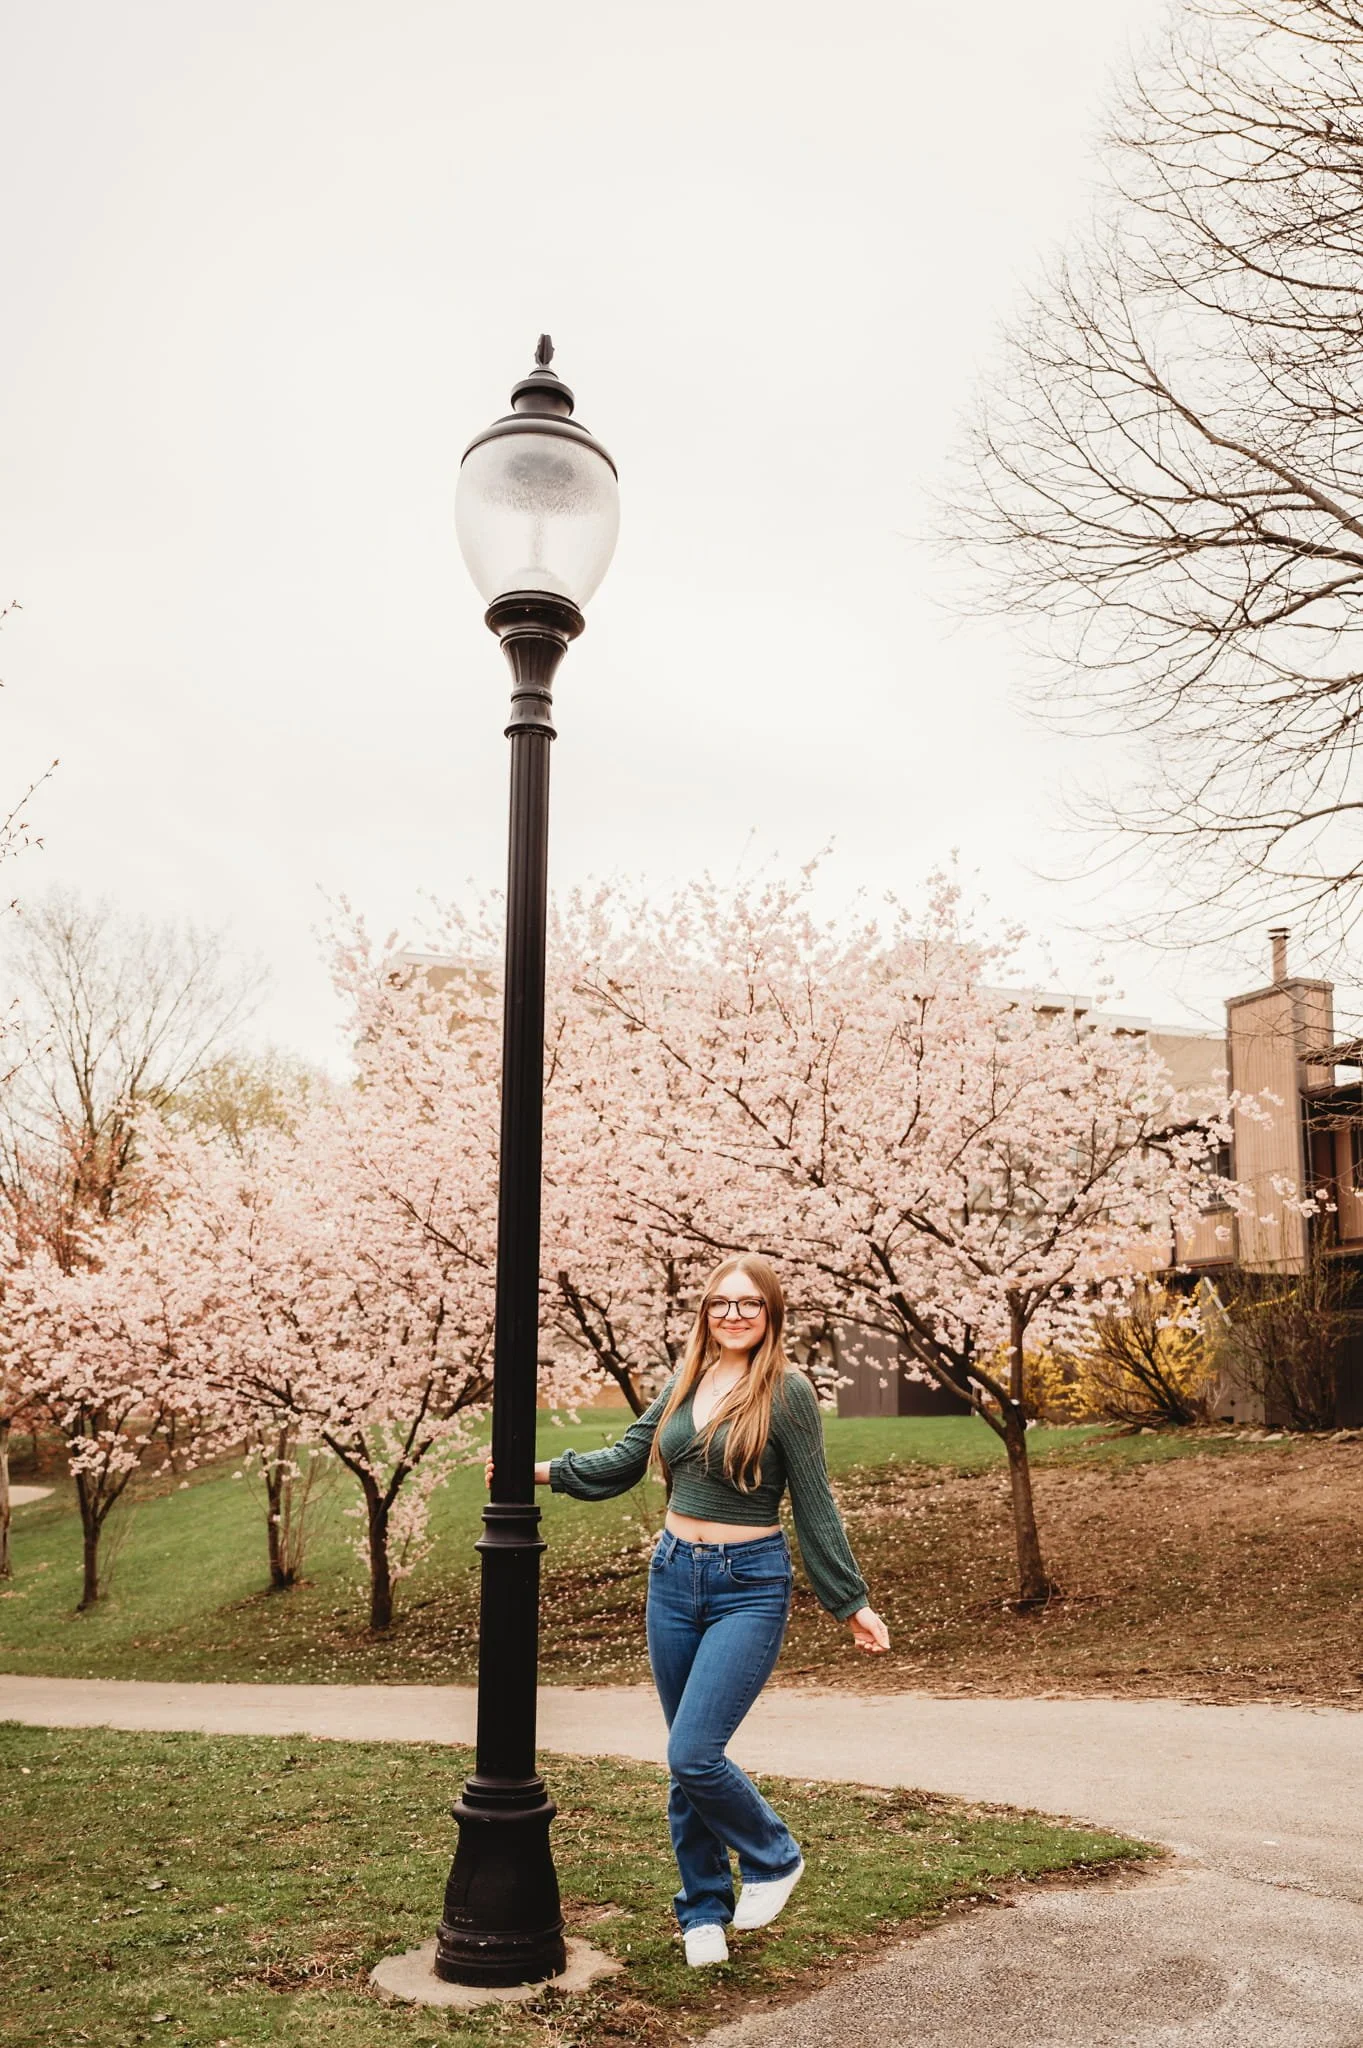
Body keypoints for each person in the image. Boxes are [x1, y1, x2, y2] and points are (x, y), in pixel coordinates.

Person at [502, 1252, 890, 1968]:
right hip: (673, 1580)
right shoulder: (685, 1382)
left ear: (770, 1316)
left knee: (694, 1752)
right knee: (686, 1759)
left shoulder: (788, 1391)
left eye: (748, 1304)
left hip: (749, 1583)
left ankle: (774, 1856)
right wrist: (541, 1471)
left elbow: (813, 1501)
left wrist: (848, 1600)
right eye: (720, 1303)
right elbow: (625, 1458)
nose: (732, 1315)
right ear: (704, 1313)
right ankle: (702, 1910)